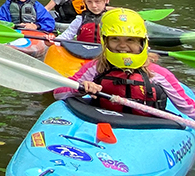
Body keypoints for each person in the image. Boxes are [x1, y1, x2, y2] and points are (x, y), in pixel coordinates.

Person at [54, 8, 195, 119]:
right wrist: (80, 88)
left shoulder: (159, 74)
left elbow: (189, 108)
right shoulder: (95, 67)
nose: (122, 46)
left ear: (142, 43)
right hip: (102, 121)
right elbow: (58, 93)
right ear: (105, 41)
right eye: (115, 39)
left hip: (148, 127)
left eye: (130, 40)